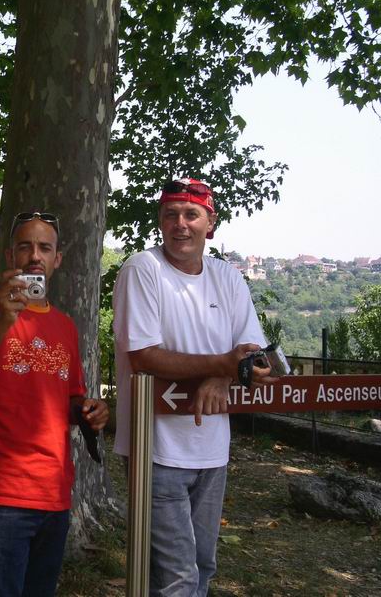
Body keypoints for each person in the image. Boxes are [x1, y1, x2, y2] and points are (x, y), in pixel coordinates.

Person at [112, 178, 276, 596]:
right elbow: (143, 356)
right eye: (171, 215)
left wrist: (223, 375)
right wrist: (223, 363)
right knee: (177, 577)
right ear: (160, 221)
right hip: (156, 450)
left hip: (213, 450)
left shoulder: (227, 276)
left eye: (191, 215)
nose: (180, 224)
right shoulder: (143, 269)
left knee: (202, 567)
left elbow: (253, 353)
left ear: (210, 223)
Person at [0, 211, 108, 597]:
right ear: (10, 256)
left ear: (57, 259)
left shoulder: (66, 326)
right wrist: (4, 319)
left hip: (54, 492)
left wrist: (90, 410)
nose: (35, 256)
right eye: (25, 247)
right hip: (0, 493)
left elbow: (71, 398)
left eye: (44, 248)